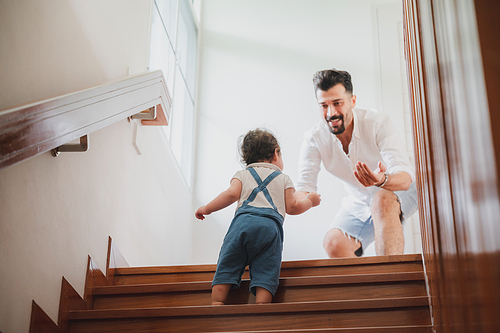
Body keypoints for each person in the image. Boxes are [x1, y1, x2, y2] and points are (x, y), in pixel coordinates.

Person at [295, 69, 417, 258]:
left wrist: (381, 180)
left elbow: (405, 179)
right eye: (324, 106)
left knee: (381, 200)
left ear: (352, 101)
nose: (331, 113)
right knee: (334, 243)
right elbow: (304, 188)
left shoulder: (378, 123)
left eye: (337, 103)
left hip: (403, 187)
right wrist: (285, 201)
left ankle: (389, 284)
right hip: (360, 199)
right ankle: (369, 288)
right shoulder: (314, 139)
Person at [195, 128, 321, 305]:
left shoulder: (243, 174)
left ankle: (217, 302)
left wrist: (207, 208)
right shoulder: (283, 178)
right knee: (266, 267)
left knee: (229, 261)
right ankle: (262, 304)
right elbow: (292, 207)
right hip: (270, 228)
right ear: (276, 154)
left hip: (242, 225)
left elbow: (230, 194)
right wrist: (310, 201)